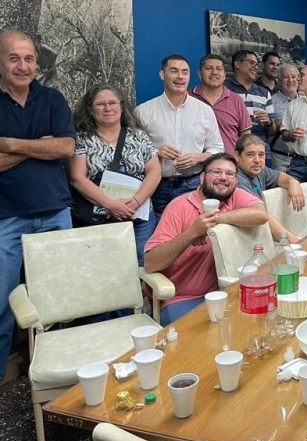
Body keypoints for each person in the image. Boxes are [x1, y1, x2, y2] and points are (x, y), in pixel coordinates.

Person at [0, 30, 76, 381]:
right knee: (1, 305)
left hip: (55, 211)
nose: (23, 65)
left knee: (60, 300)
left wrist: (10, 145)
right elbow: (52, 146)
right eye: (14, 57)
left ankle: (60, 377)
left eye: (29, 58)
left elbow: (64, 148)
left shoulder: (52, 98)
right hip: (7, 217)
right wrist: (38, 145)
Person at [143, 153, 269, 325]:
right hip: (180, 297)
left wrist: (215, 219)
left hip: (226, 290)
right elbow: (151, 263)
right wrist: (193, 232)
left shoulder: (235, 197)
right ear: (202, 177)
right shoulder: (179, 206)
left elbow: (261, 215)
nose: (223, 178)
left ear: (236, 181)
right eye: (216, 172)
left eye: (230, 174)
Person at [68, 84, 161, 265]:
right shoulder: (82, 139)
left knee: (143, 264)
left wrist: (134, 203)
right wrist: (111, 205)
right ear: (90, 109)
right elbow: (76, 177)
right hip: (99, 216)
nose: (108, 108)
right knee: (104, 266)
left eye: (112, 103)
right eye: (100, 104)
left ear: (121, 106)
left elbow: (154, 171)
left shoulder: (139, 136)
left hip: (139, 215)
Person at [135, 54, 225, 220]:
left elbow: (218, 148)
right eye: (174, 71)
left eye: (185, 72)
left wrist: (199, 157)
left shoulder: (204, 111)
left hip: (192, 183)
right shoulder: (143, 112)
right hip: (156, 185)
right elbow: (133, 153)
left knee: (193, 233)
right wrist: (155, 152)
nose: (180, 76)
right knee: (159, 235)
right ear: (162, 74)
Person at [233, 134, 302, 243]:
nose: (257, 160)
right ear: (237, 156)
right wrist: (297, 243)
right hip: (245, 239)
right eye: (250, 154)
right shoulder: (236, 178)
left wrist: (293, 182)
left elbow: (280, 177)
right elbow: (261, 214)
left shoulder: (260, 170)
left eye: (261, 155)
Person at [190, 54, 252, 155]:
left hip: (228, 166)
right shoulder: (188, 97)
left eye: (219, 69)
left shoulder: (236, 100)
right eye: (209, 68)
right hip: (193, 166)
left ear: (224, 74)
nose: (214, 72)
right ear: (199, 73)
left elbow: (246, 136)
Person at [224, 50, 277, 167]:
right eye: (251, 63)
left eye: (257, 64)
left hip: (262, 151)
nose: (255, 67)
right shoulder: (224, 88)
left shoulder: (264, 93)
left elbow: (272, 131)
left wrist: (269, 123)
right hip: (234, 151)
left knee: (265, 185)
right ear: (237, 64)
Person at [268, 64, 300, 173]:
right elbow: (268, 130)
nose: (291, 80)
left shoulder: (306, 101)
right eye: (286, 77)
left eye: (293, 76)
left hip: (301, 159)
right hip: (279, 159)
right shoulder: (271, 101)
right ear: (279, 80)